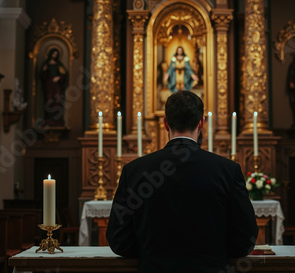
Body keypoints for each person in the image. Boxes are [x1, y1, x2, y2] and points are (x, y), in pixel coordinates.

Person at [106, 91, 258, 273]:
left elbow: (118, 240)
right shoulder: (228, 170)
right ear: (201, 123)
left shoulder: (134, 170)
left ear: (165, 123)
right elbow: (245, 239)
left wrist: (149, 255)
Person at [40, 48, 68, 126]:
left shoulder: (58, 65)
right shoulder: (46, 64)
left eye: (56, 54)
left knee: (57, 100)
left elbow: (64, 74)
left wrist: (59, 77)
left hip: (56, 86)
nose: (54, 56)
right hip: (49, 85)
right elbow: (42, 76)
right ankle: (49, 118)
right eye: (53, 54)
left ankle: (56, 118)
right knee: (49, 100)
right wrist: (44, 70)